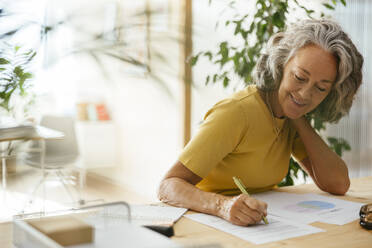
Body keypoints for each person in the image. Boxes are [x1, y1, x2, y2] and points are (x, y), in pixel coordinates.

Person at [157, 19, 364, 227]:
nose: (305, 93)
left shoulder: (288, 117)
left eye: (320, 88)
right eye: (300, 77)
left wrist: (298, 116)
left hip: (251, 229)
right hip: (204, 222)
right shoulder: (237, 112)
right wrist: (222, 206)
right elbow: (168, 186)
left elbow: (338, 184)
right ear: (282, 63)